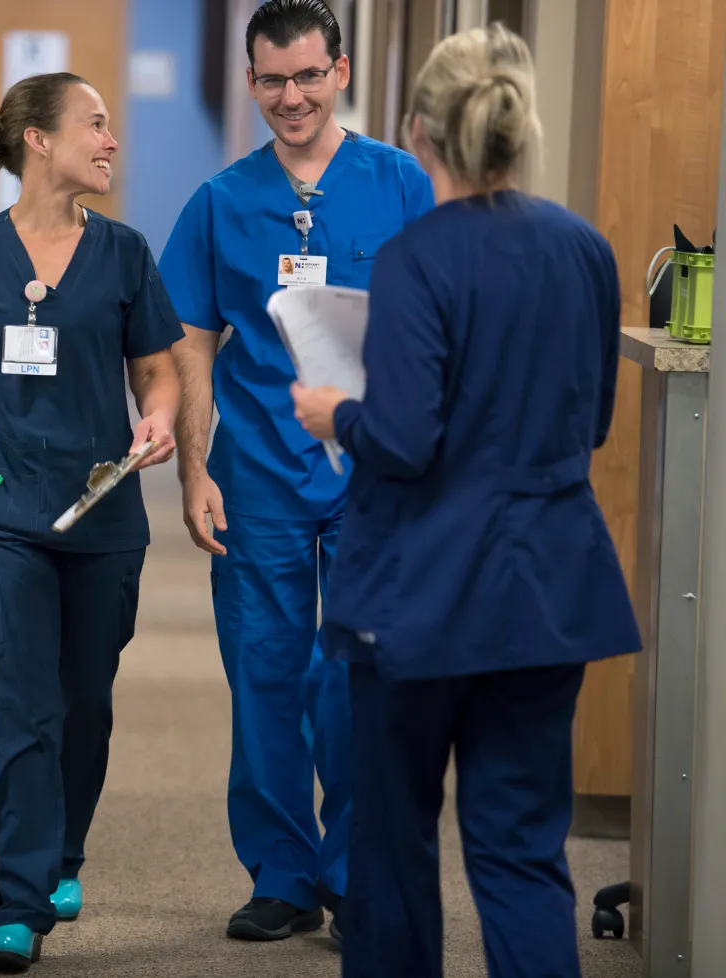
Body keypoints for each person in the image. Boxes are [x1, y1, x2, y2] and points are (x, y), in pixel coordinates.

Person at [289, 23, 641, 978]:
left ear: (417, 135)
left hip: (423, 597)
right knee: (524, 851)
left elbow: (403, 442)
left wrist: (336, 414)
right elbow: (592, 422)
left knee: (396, 844)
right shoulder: (585, 249)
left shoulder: (419, 258)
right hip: (545, 595)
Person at [0, 72, 183, 973]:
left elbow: (160, 372)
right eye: (95, 125)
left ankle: (59, 854)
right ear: (40, 142)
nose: (111, 141)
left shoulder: (127, 255)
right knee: (16, 701)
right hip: (2, 515)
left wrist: (161, 417)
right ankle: (12, 902)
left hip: (103, 515)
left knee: (82, 706)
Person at [157, 0, 434, 945]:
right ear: (251, 83)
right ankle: (280, 872)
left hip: (371, 473)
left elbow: (433, 331)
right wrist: (196, 467)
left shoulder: (398, 185)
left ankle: (356, 871)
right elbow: (189, 344)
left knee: (355, 675)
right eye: (273, 80)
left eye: (309, 75)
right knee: (265, 671)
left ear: (342, 72)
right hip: (259, 475)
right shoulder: (221, 202)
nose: (292, 97)